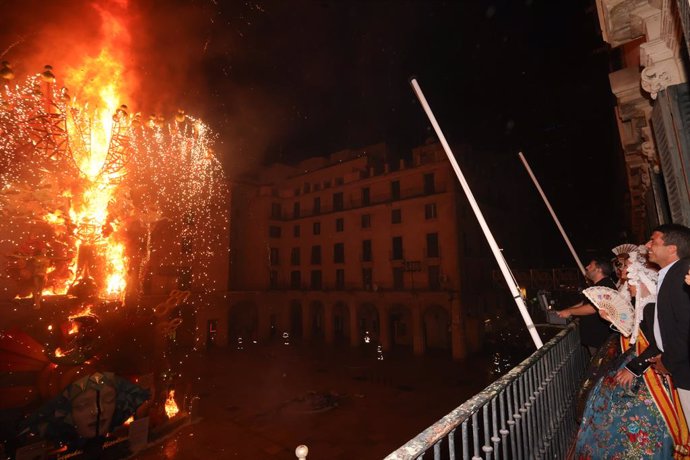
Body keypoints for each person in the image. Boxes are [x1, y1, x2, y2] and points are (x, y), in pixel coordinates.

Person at [573, 246, 690, 458]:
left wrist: (634, 368)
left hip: (650, 368)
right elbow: (631, 333)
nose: (630, 288)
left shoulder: (651, 308)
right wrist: (611, 318)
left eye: (633, 284)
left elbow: (658, 344)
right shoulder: (644, 308)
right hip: (638, 359)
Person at [643, 223, 690, 426]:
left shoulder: (682, 274)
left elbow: (686, 326)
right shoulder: (672, 273)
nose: (647, 245)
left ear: (672, 248)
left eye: (653, 240)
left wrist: (668, 361)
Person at [557, 257, 617, 356]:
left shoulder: (604, 287)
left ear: (599, 269)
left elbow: (592, 308)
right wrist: (566, 310)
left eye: (590, 265)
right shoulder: (599, 286)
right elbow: (584, 303)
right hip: (596, 339)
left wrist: (570, 312)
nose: (587, 267)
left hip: (599, 339)